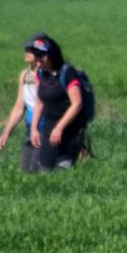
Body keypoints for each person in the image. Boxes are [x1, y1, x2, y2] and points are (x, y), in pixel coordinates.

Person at [27, 35, 85, 172]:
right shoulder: (40, 74)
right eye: (37, 57)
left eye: (42, 57)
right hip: (48, 132)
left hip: (69, 132)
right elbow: (39, 102)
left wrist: (59, 128)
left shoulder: (67, 73)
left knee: (63, 173)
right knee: (44, 171)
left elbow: (77, 103)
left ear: (51, 55)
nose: (38, 61)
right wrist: (34, 129)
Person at [0, 33, 45, 172]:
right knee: (24, 172)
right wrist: (6, 132)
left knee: (37, 171)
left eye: (30, 50)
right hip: (31, 131)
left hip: (46, 131)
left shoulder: (48, 76)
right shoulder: (24, 75)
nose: (26, 52)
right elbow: (19, 107)